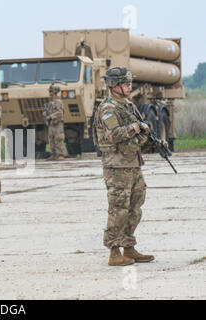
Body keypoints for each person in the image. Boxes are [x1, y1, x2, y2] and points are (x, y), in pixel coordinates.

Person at [93, 67, 155, 266]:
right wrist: (137, 127)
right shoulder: (107, 109)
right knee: (118, 209)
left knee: (135, 207)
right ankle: (114, 251)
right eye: (126, 83)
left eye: (129, 83)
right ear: (114, 86)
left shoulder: (127, 105)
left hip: (132, 163)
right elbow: (114, 135)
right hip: (117, 167)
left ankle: (128, 247)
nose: (129, 87)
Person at [44, 85, 66, 161]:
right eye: (49, 91)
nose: (49, 93)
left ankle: (61, 155)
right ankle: (53, 154)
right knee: (51, 140)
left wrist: (51, 116)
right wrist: (46, 114)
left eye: (51, 91)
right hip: (52, 124)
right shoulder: (51, 102)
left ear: (55, 92)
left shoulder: (58, 102)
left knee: (58, 139)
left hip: (57, 124)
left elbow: (60, 113)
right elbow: (50, 112)